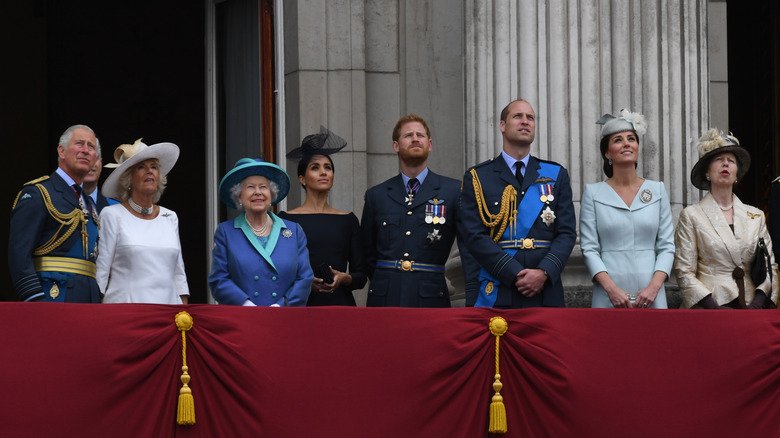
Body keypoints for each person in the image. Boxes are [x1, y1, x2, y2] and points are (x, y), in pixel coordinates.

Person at [458, 99, 576, 308]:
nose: (525, 122)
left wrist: (543, 272)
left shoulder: (556, 174)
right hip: (499, 288)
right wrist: (513, 273)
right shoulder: (478, 177)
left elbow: (566, 233)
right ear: (502, 126)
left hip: (545, 290)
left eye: (530, 118)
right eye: (518, 116)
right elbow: (473, 236)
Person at [360, 114, 464, 307]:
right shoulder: (377, 195)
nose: (415, 138)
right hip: (385, 297)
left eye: (420, 135)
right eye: (408, 135)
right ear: (396, 146)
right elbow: (367, 253)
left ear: (430, 144)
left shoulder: (453, 191)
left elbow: (467, 245)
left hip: (431, 297)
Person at [579, 110, 675, 308]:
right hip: (609, 295)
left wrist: (654, 288)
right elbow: (589, 248)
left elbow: (666, 246)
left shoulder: (657, 190)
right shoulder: (593, 193)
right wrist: (611, 289)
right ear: (607, 152)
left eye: (631, 138)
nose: (626, 143)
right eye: (618, 140)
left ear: (638, 147)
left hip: (651, 295)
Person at [673, 129, 778, 309]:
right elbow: (684, 271)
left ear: (737, 174)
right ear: (707, 172)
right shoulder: (691, 215)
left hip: (751, 306)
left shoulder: (756, 216)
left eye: (731, 161)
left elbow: (770, 266)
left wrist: (758, 303)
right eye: (719, 160)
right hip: (709, 307)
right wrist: (713, 308)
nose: (725, 164)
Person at [8, 124, 102, 302]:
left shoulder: (89, 202)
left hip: (89, 301)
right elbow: (19, 254)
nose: (85, 150)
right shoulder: (39, 193)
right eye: (79, 144)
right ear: (61, 151)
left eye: (91, 147)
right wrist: (35, 299)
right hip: (53, 296)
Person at [278, 127, 367, 306]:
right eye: (315, 168)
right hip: (300, 307)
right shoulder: (286, 220)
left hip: (340, 307)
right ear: (302, 178)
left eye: (328, 167)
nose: (323, 172)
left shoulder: (348, 220)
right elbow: (278, 271)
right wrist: (304, 283)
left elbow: (361, 276)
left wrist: (343, 278)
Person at [209, 158, 314, 306]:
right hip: (242, 319)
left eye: (263, 187)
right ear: (239, 196)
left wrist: (281, 305)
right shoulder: (226, 232)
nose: (258, 192)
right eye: (250, 187)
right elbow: (218, 280)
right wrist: (246, 304)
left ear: (271, 195)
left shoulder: (294, 231)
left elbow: (305, 278)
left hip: (285, 318)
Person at [96, 139, 189, 304]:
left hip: (168, 313)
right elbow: (101, 271)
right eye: (141, 167)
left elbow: (178, 274)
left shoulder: (170, 217)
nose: (149, 171)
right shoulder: (112, 215)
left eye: (154, 167)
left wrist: (183, 311)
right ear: (128, 179)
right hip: (126, 312)